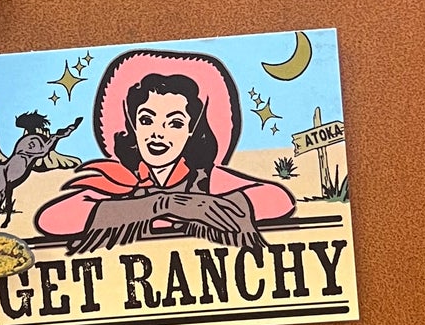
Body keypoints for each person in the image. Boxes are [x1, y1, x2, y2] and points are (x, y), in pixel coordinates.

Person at [35, 51, 294, 256]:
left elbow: (279, 199)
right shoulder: (122, 178)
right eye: (147, 120)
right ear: (132, 125)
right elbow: (51, 219)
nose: (158, 134)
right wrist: (163, 204)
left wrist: (201, 207)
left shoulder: (204, 176)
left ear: (192, 130)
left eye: (175, 123)